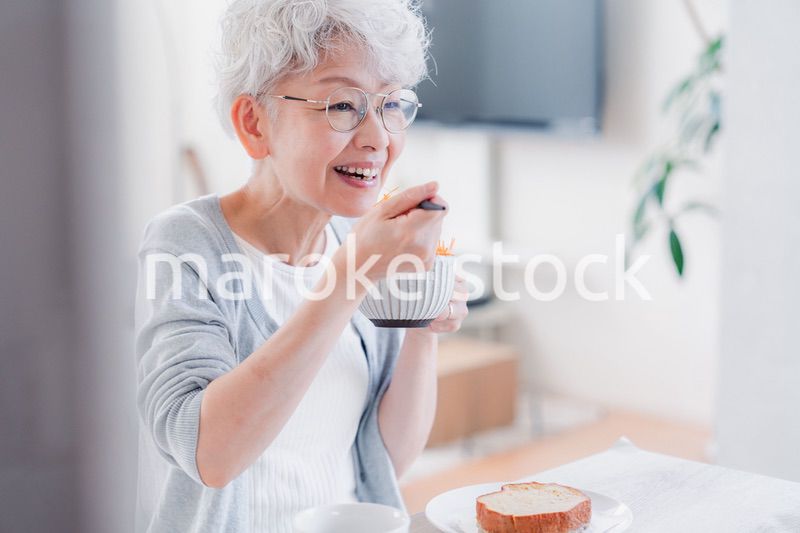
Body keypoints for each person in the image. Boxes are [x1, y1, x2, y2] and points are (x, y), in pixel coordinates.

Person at [133, 0, 468, 531]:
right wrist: (349, 273)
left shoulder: (354, 242)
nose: (379, 139)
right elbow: (210, 456)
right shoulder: (186, 244)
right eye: (342, 105)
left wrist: (422, 329)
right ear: (254, 123)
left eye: (392, 104)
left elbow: (384, 462)